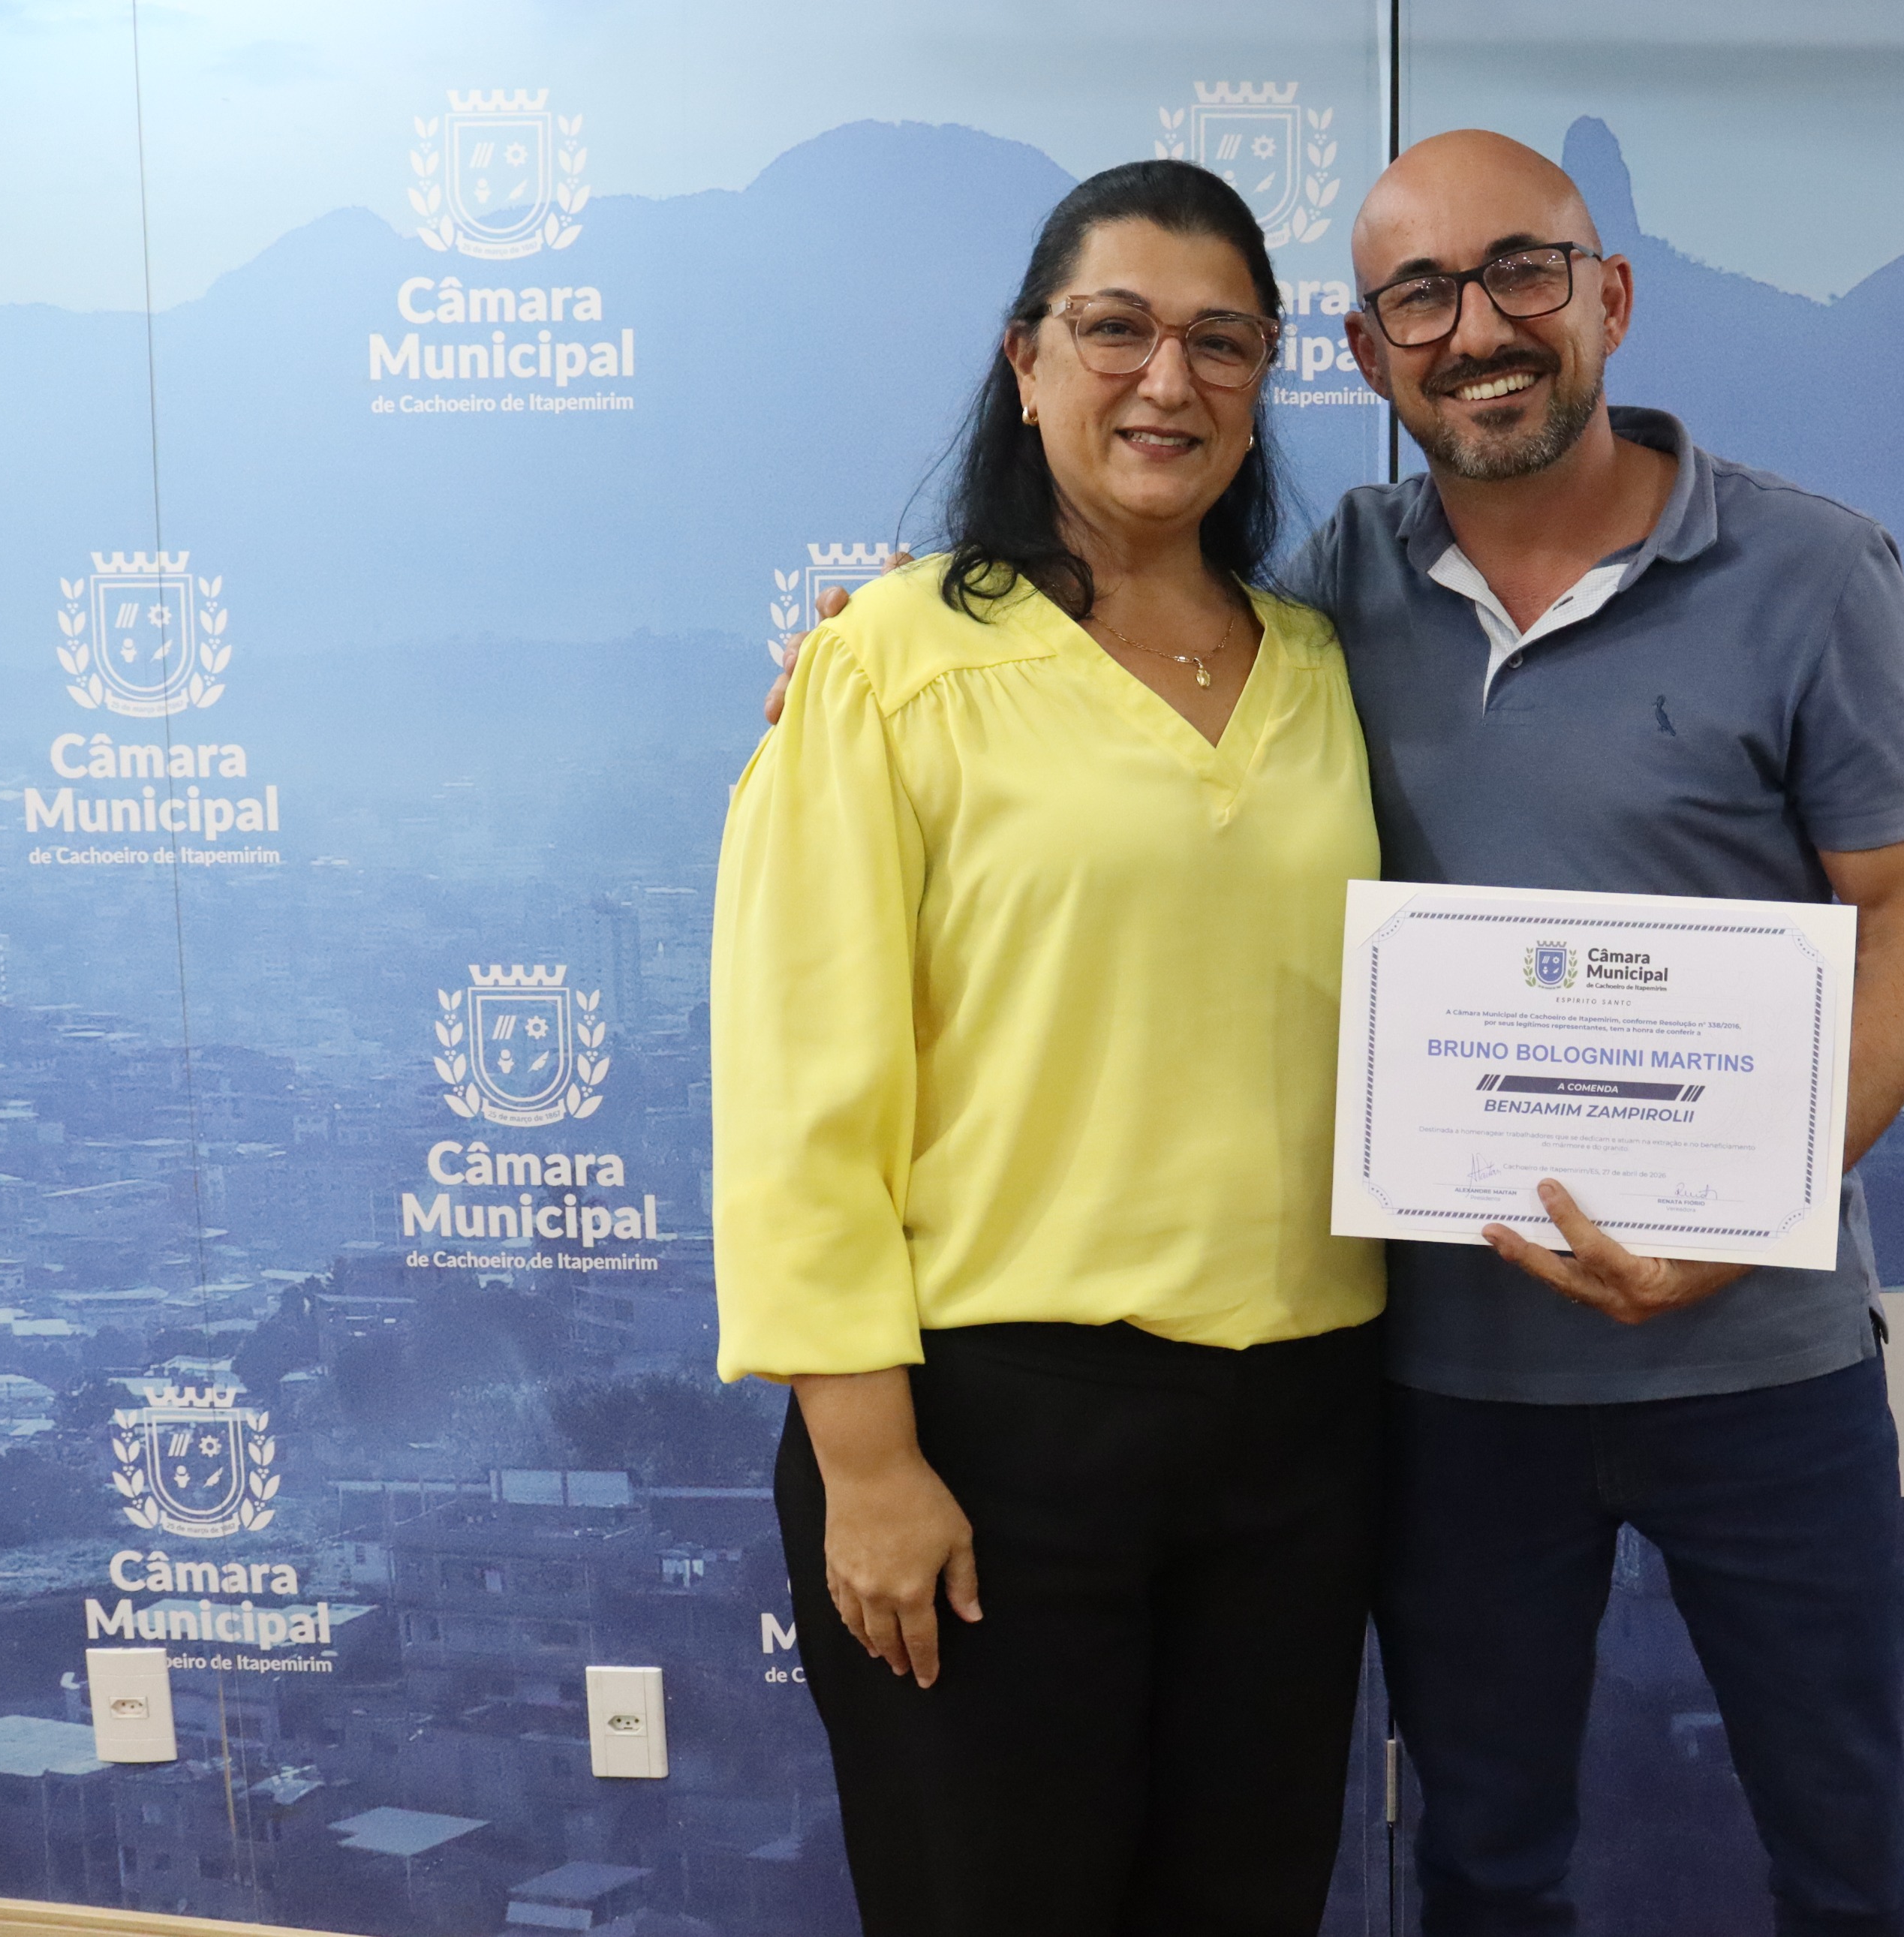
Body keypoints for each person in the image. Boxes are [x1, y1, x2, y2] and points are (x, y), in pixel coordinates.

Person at [771, 130, 1904, 1936]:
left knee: (1854, 1859)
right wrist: (873, 639)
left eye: (1521, 273)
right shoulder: (1317, 598)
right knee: (1482, 1867)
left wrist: (1740, 1213)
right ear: (1363, 348)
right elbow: (821, 1060)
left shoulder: (1786, 573)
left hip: (1744, 1356)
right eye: (1420, 294)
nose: (1475, 328)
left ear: (1608, 297)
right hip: (1442, 1385)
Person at [710, 159, 1385, 1937]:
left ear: (1264, 380)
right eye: (1116, 329)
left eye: (1221, 341)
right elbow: (799, 1085)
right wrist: (866, 1461)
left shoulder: (1323, 665)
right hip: (997, 1428)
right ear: (1025, 361)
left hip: (1302, 1430)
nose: (1169, 379)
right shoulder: (893, 660)